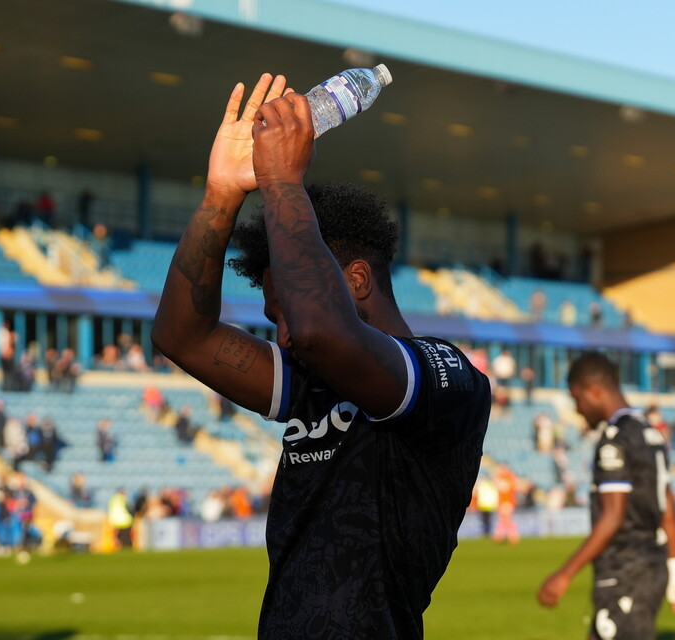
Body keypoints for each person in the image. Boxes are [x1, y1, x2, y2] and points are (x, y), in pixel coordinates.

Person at [151, 73, 491, 638]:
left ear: (356, 280)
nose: (281, 335)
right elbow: (181, 336)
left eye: (282, 311)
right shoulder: (312, 379)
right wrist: (222, 195)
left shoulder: (445, 379)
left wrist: (283, 180)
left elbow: (317, 331)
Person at [538, 352, 675, 639]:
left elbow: (613, 516)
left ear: (594, 391)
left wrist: (565, 574)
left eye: (577, 399)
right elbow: (667, 507)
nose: (578, 409)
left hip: (626, 569)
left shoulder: (616, 438)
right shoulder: (648, 430)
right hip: (648, 566)